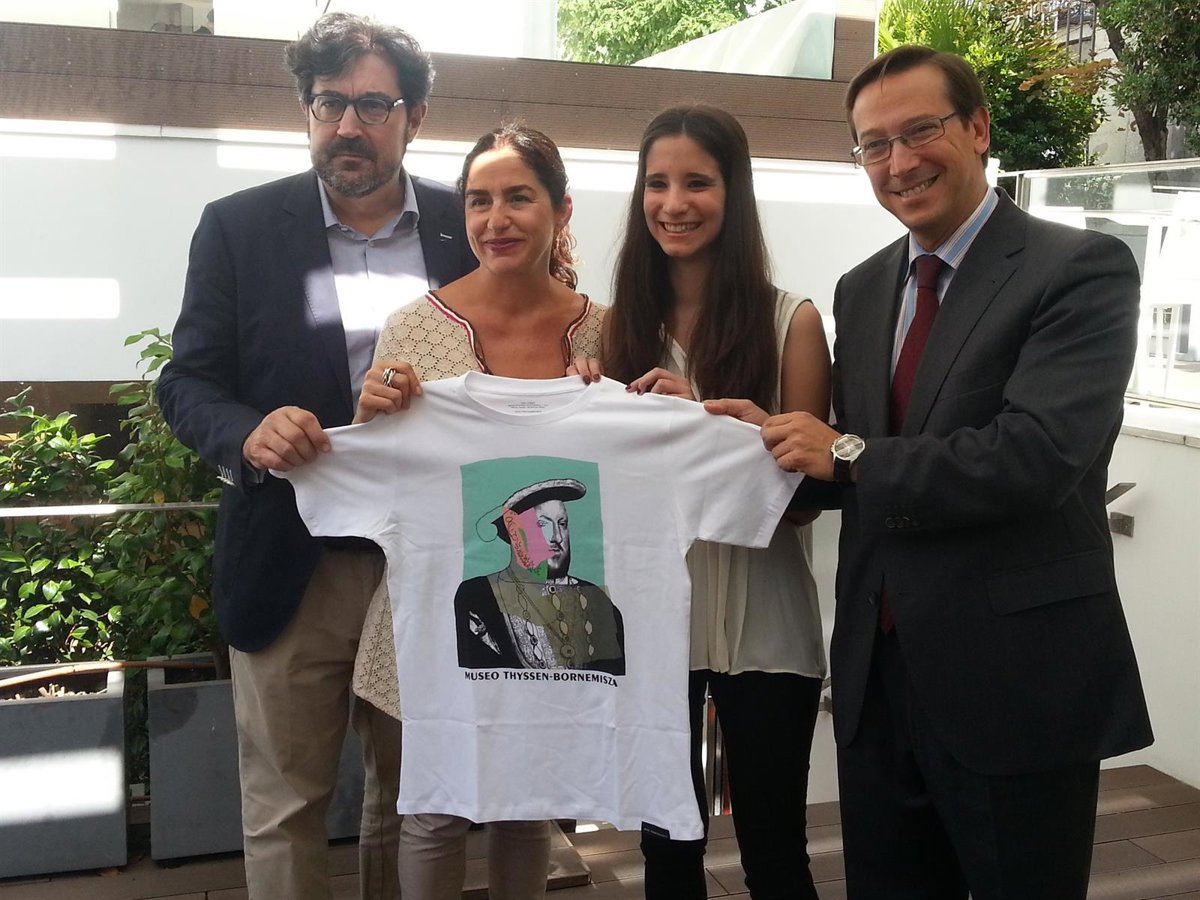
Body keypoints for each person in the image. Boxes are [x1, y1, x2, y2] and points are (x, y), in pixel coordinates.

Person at [707, 46, 1154, 899]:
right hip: (878, 680)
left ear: (978, 128)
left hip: (1015, 677)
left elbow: (1037, 456)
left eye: (920, 131)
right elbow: (854, 459)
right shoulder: (863, 287)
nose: (899, 162)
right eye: (873, 145)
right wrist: (752, 439)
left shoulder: (1080, 269)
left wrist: (844, 452)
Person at [156, 13, 477, 900]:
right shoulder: (238, 228)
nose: (347, 126)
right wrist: (246, 434)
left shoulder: (468, 226)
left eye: (373, 105)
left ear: (415, 117)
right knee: (284, 806)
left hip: (430, 561)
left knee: (422, 804)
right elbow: (187, 382)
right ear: (305, 110)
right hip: (290, 560)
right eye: (329, 103)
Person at [352, 123, 604, 900]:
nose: (496, 219)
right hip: (431, 612)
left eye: (518, 197)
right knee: (433, 809)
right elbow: (377, 480)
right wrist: (367, 417)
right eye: (478, 200)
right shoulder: (412, 327)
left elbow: (636, 465)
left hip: (545, 619)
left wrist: (636, 399)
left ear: (561, 210)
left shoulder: (607, 330)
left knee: (525, 805)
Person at [603, 104, 830, 899]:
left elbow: (805, 500)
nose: (674, 204)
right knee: (667, 851)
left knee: (775, 851)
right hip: (651, 629)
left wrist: (707, 421)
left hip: (768, 626)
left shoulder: (792, 320)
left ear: (734, 192)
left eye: (697, 182)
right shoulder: (613, 330)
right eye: (657, 184)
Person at [455, 477, 625, 672]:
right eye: (542, 525)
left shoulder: (598, 603)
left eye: (562, 524)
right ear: (515, 533)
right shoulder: (477, 596)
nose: (557, 537)